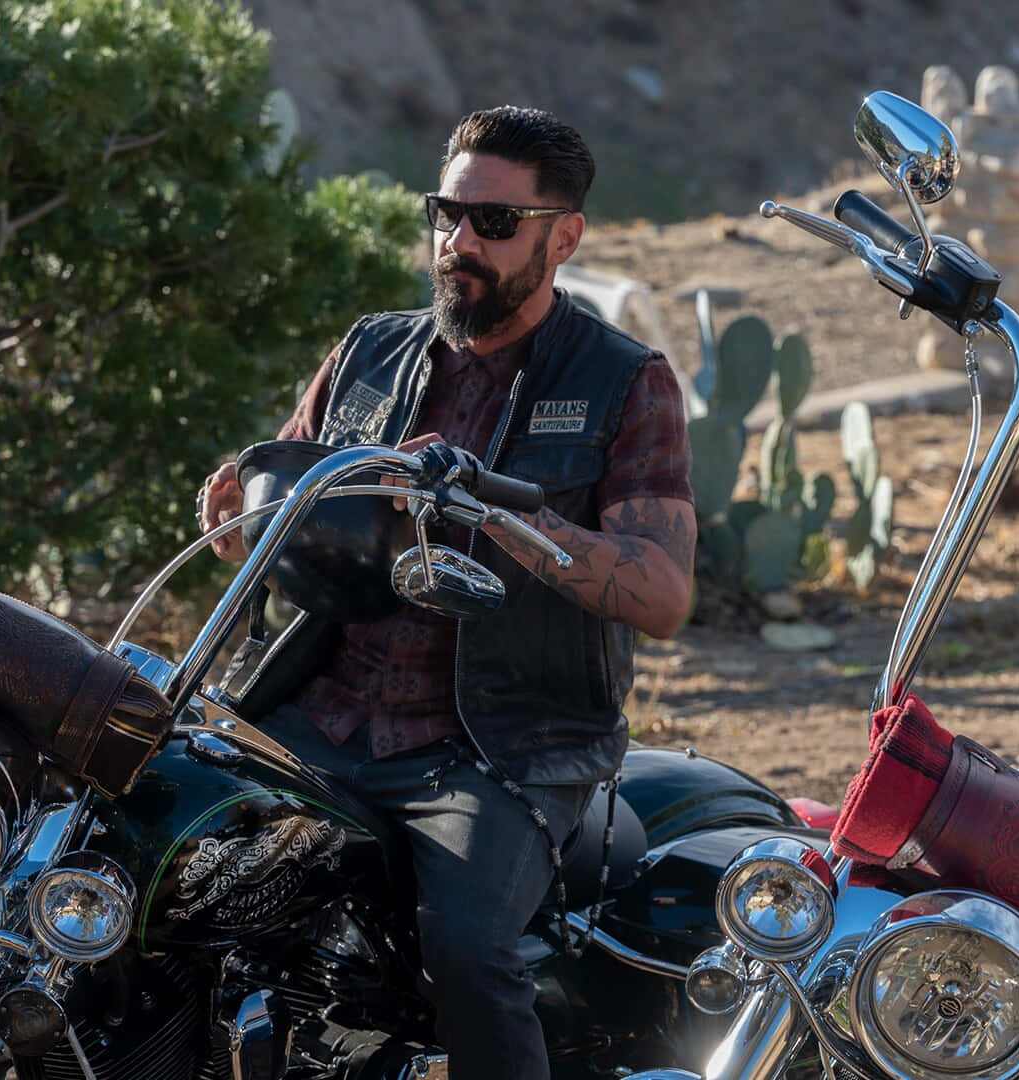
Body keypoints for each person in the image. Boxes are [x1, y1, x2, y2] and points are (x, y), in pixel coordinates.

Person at [195, 106, 695, 1080]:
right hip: (314, 712)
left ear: (564, 236)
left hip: (493, 745)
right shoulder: (369, 352)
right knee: (153, 862)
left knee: (467, 946)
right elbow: (277, 523)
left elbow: (662, 593)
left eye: (493, 224)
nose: (458, 243)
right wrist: (238, 505)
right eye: (446, 214)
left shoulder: (623, 383)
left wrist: (500, 516)